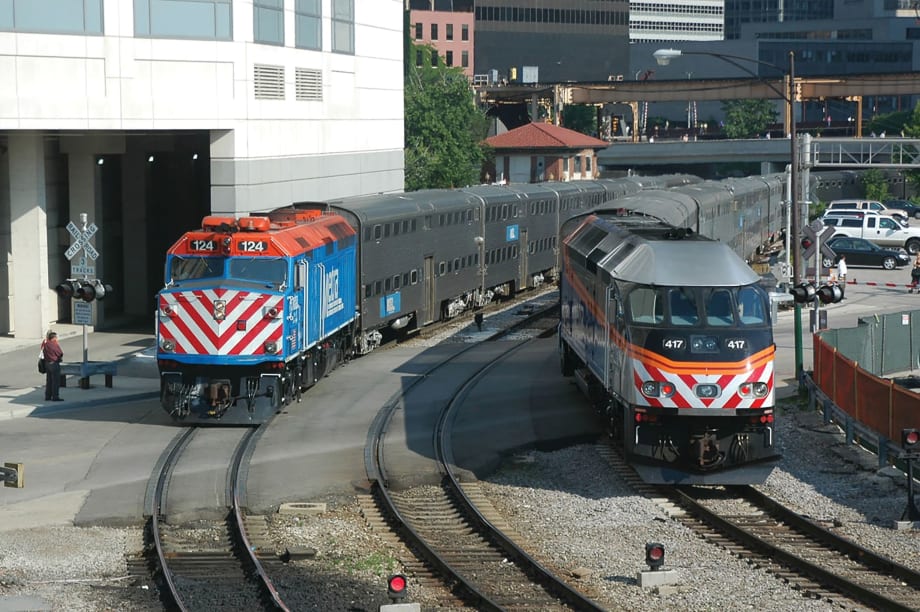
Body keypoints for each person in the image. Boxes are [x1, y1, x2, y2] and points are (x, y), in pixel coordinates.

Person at [40, 330, 63, 402]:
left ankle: (48, 396)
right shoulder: (54, 344)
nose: (57, 338)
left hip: (47, 364)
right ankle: (55, 396)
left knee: (49, 381)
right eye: (56, 337)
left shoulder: (46, 344)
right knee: (55, 381)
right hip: (54, 363)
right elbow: (60, 353)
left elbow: (43, 352)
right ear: (53, 338)